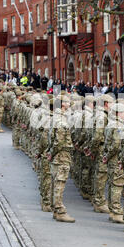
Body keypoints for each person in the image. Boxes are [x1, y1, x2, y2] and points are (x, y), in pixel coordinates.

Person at [47, 95, 75, 223]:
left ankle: (55, 208)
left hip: (57, 155)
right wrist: (52, 153)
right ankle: (59, 210)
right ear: (62, 104)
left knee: (55, 181)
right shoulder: (62, 122)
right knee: (60, 182)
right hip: (61, 155)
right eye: (68, 102)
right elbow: (58, 142)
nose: (70, 103)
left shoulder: (55, 117)